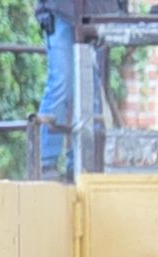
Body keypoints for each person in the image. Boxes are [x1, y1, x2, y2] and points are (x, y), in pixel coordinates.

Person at [33, 0, 119, 179]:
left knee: (87, 87)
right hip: (63, 10)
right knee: (63, 82)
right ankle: (47, 162)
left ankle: (80, 161)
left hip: (93, 15)